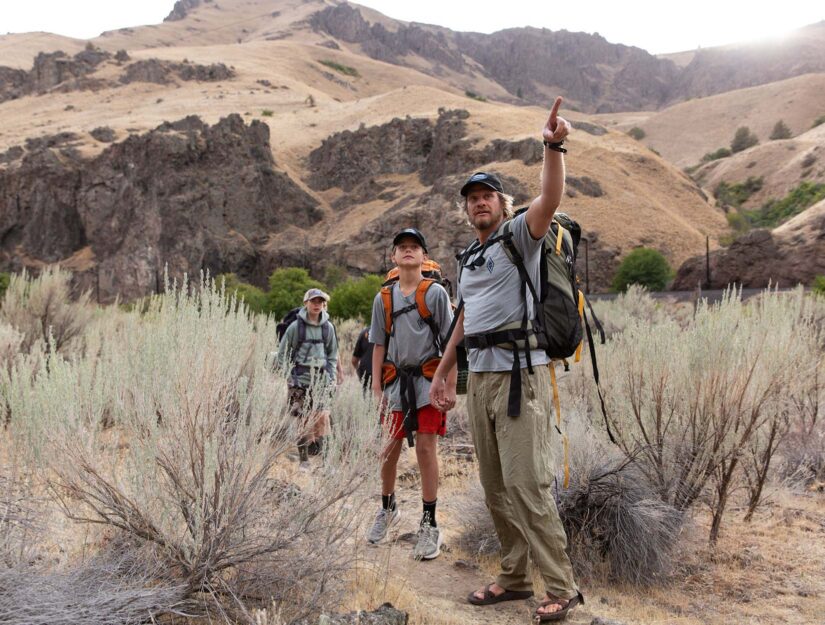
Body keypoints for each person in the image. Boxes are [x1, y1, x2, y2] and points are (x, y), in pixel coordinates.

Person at [429, 98, 584, 622]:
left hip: (523, 375)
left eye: (487, 196)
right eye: (471, 198)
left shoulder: (521, 235)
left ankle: (561, 587)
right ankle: (515, 577)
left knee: (527, 483)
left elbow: (549, 196)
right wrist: (444, 373)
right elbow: (465, 318)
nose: (479, 204)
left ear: (502, 202)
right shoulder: (468, 257)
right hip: (483, 379)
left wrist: (553, 146)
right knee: (495, 487)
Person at [366, 228, 454, 560]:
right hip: (394, 382)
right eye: (401, 247)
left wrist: (450, 384)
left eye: (414, 247)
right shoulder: (383, 299)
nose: (407, 251)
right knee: (389, 449)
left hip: (428, 379)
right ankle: (388, 509)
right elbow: (378, 344)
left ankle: (429, 521)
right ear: (393, 257)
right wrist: (376, 386)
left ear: (423, 256)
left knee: (426, 449)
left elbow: (450, 342)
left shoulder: (434, 295)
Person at [277, 288, 338, 465]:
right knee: (303, 419)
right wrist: (288, 376)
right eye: (313, 301)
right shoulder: (295, 327)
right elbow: (283, 354)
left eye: (320, 301)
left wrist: (331, 378)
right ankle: (304, 461)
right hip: (299, 381)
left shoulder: (328, 328)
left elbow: (332, 355)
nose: (317, 304)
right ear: (306, 303)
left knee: (323, 418)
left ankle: (327, 462)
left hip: (321, 381)